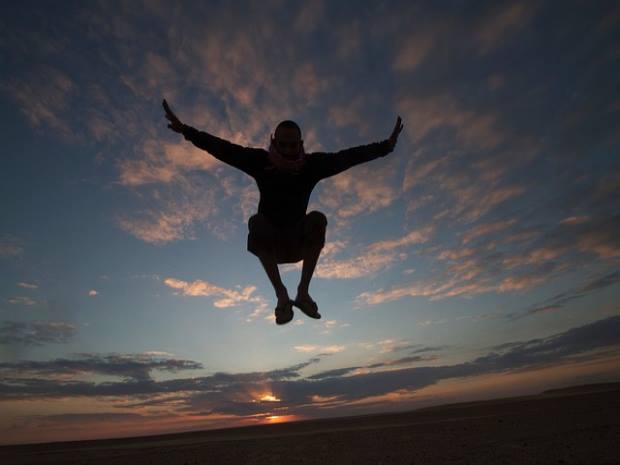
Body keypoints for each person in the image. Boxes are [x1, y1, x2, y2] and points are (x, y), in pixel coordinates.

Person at [163, 99, 403, 325]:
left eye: (293, 144)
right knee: (256, 221)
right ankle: (281, 295)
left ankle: (303, 294)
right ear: (274, 143)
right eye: (283, 144)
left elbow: (347, 157)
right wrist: (186, 130)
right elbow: (224, 149)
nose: (288, 150)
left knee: (318, 218)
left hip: (299, 243)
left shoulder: (311, 166)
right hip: (271, 245)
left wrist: (385, 147)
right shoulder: (259, 161)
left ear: (300, 144)